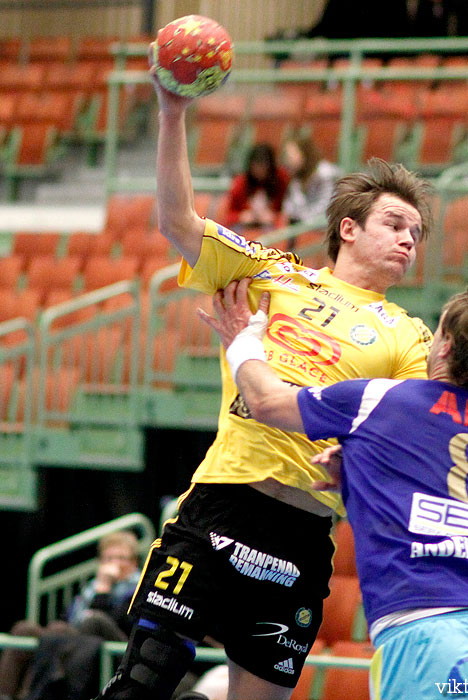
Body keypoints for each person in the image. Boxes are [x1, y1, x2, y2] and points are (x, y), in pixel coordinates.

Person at [94, 46, 433, 700]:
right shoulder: (273, 275)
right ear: (348, 229)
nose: (408, 241)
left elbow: (406, 429)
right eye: (395, 224)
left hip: (303, 533)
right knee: (139, 683)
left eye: (416, 233)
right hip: (225, 498)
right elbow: (176, 221)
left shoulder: (406, 333)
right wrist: (172, 114)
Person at [197, 269, 468, 700]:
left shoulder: (383, 399)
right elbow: (450, 482)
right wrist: (363, 471)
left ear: (444, 346)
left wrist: (244, 340)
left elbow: (265, 402)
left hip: (427, 634)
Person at [0, 531, 141, 700]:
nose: (114, 564)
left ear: (134, 562)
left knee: (92, 620)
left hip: (113, 653)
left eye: (121, 557)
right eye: (108, 558)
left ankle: (35, 693)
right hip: (77, 644)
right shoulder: (90, 588)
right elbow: (67, 617)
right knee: (25, 629)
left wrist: (104, 590)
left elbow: (114, 622)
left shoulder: (139, 589)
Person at [222, 143, 289, 231]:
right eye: (256, 167)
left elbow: (287, 214)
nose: (259, 171)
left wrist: (273, 217)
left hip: (270, 228)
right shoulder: (241, 182)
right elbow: (228, 216)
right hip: (244, 228)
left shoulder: (281, 179)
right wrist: (241, 217)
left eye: (263, 167)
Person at [282, 133, 341, 225]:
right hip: (301, 229)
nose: (288, 160)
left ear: (305, 153)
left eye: (291, 155)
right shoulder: (296, 179)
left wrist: (298, 218)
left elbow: (325, 212)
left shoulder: (326, 175)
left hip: (323, 231)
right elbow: (289, 209)